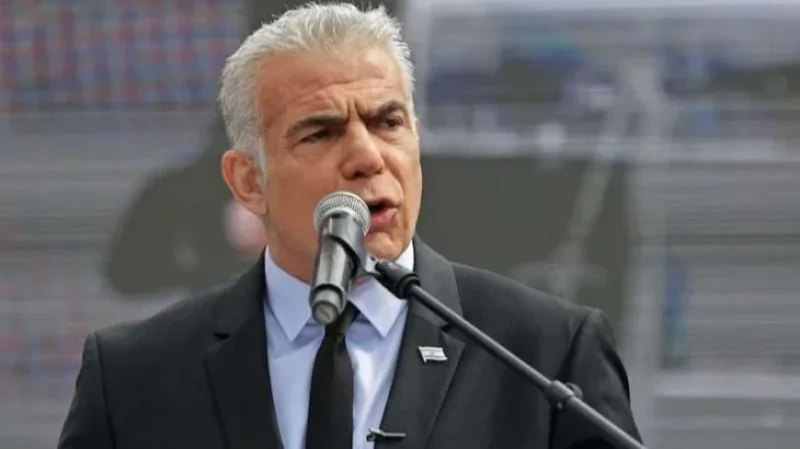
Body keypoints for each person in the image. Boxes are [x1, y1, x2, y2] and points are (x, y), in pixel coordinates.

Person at [58, 4, 641, 449]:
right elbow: (129, 262)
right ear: (249, 182)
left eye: (389, 123)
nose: (367, 156)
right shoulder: (134, 379)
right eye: (320, 133)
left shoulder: (545, 356)